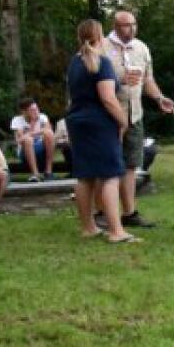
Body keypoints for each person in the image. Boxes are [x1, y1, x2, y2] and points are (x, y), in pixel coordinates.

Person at [66, 19, 135, 243]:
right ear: (99, 36)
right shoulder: (101, 62)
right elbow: (107, 98)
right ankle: (116, 231)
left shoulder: (74, 63)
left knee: (85, 176)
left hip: (77, 122)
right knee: (110, 176)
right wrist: (123, 120)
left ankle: (89, 228)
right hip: (99, 124)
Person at [105, 10, 174, 228]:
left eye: (134, 24)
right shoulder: (102, 47)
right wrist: (120, 79)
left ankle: (129, 213)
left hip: (134, 115)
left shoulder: (141, 48)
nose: (132, 29)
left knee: (130, 165)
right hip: (109, 115)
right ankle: (103, 213)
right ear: (115, 26)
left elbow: (148, 80)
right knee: (107, 166)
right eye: (126, 25)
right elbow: (93, 80)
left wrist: (159, 98)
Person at [10, 97, 56, 181]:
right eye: (32, 110)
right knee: (28, 140)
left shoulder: (43, 117)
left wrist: (30, 133)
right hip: (25, 152)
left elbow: (48, 130)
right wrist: (33, 123)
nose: (36, 111)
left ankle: (48, 171)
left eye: (36, 108)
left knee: (49, 134)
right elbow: (21, 139)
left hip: (42, 149)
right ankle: (35, 174)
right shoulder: (17, 120)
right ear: (24, 112)